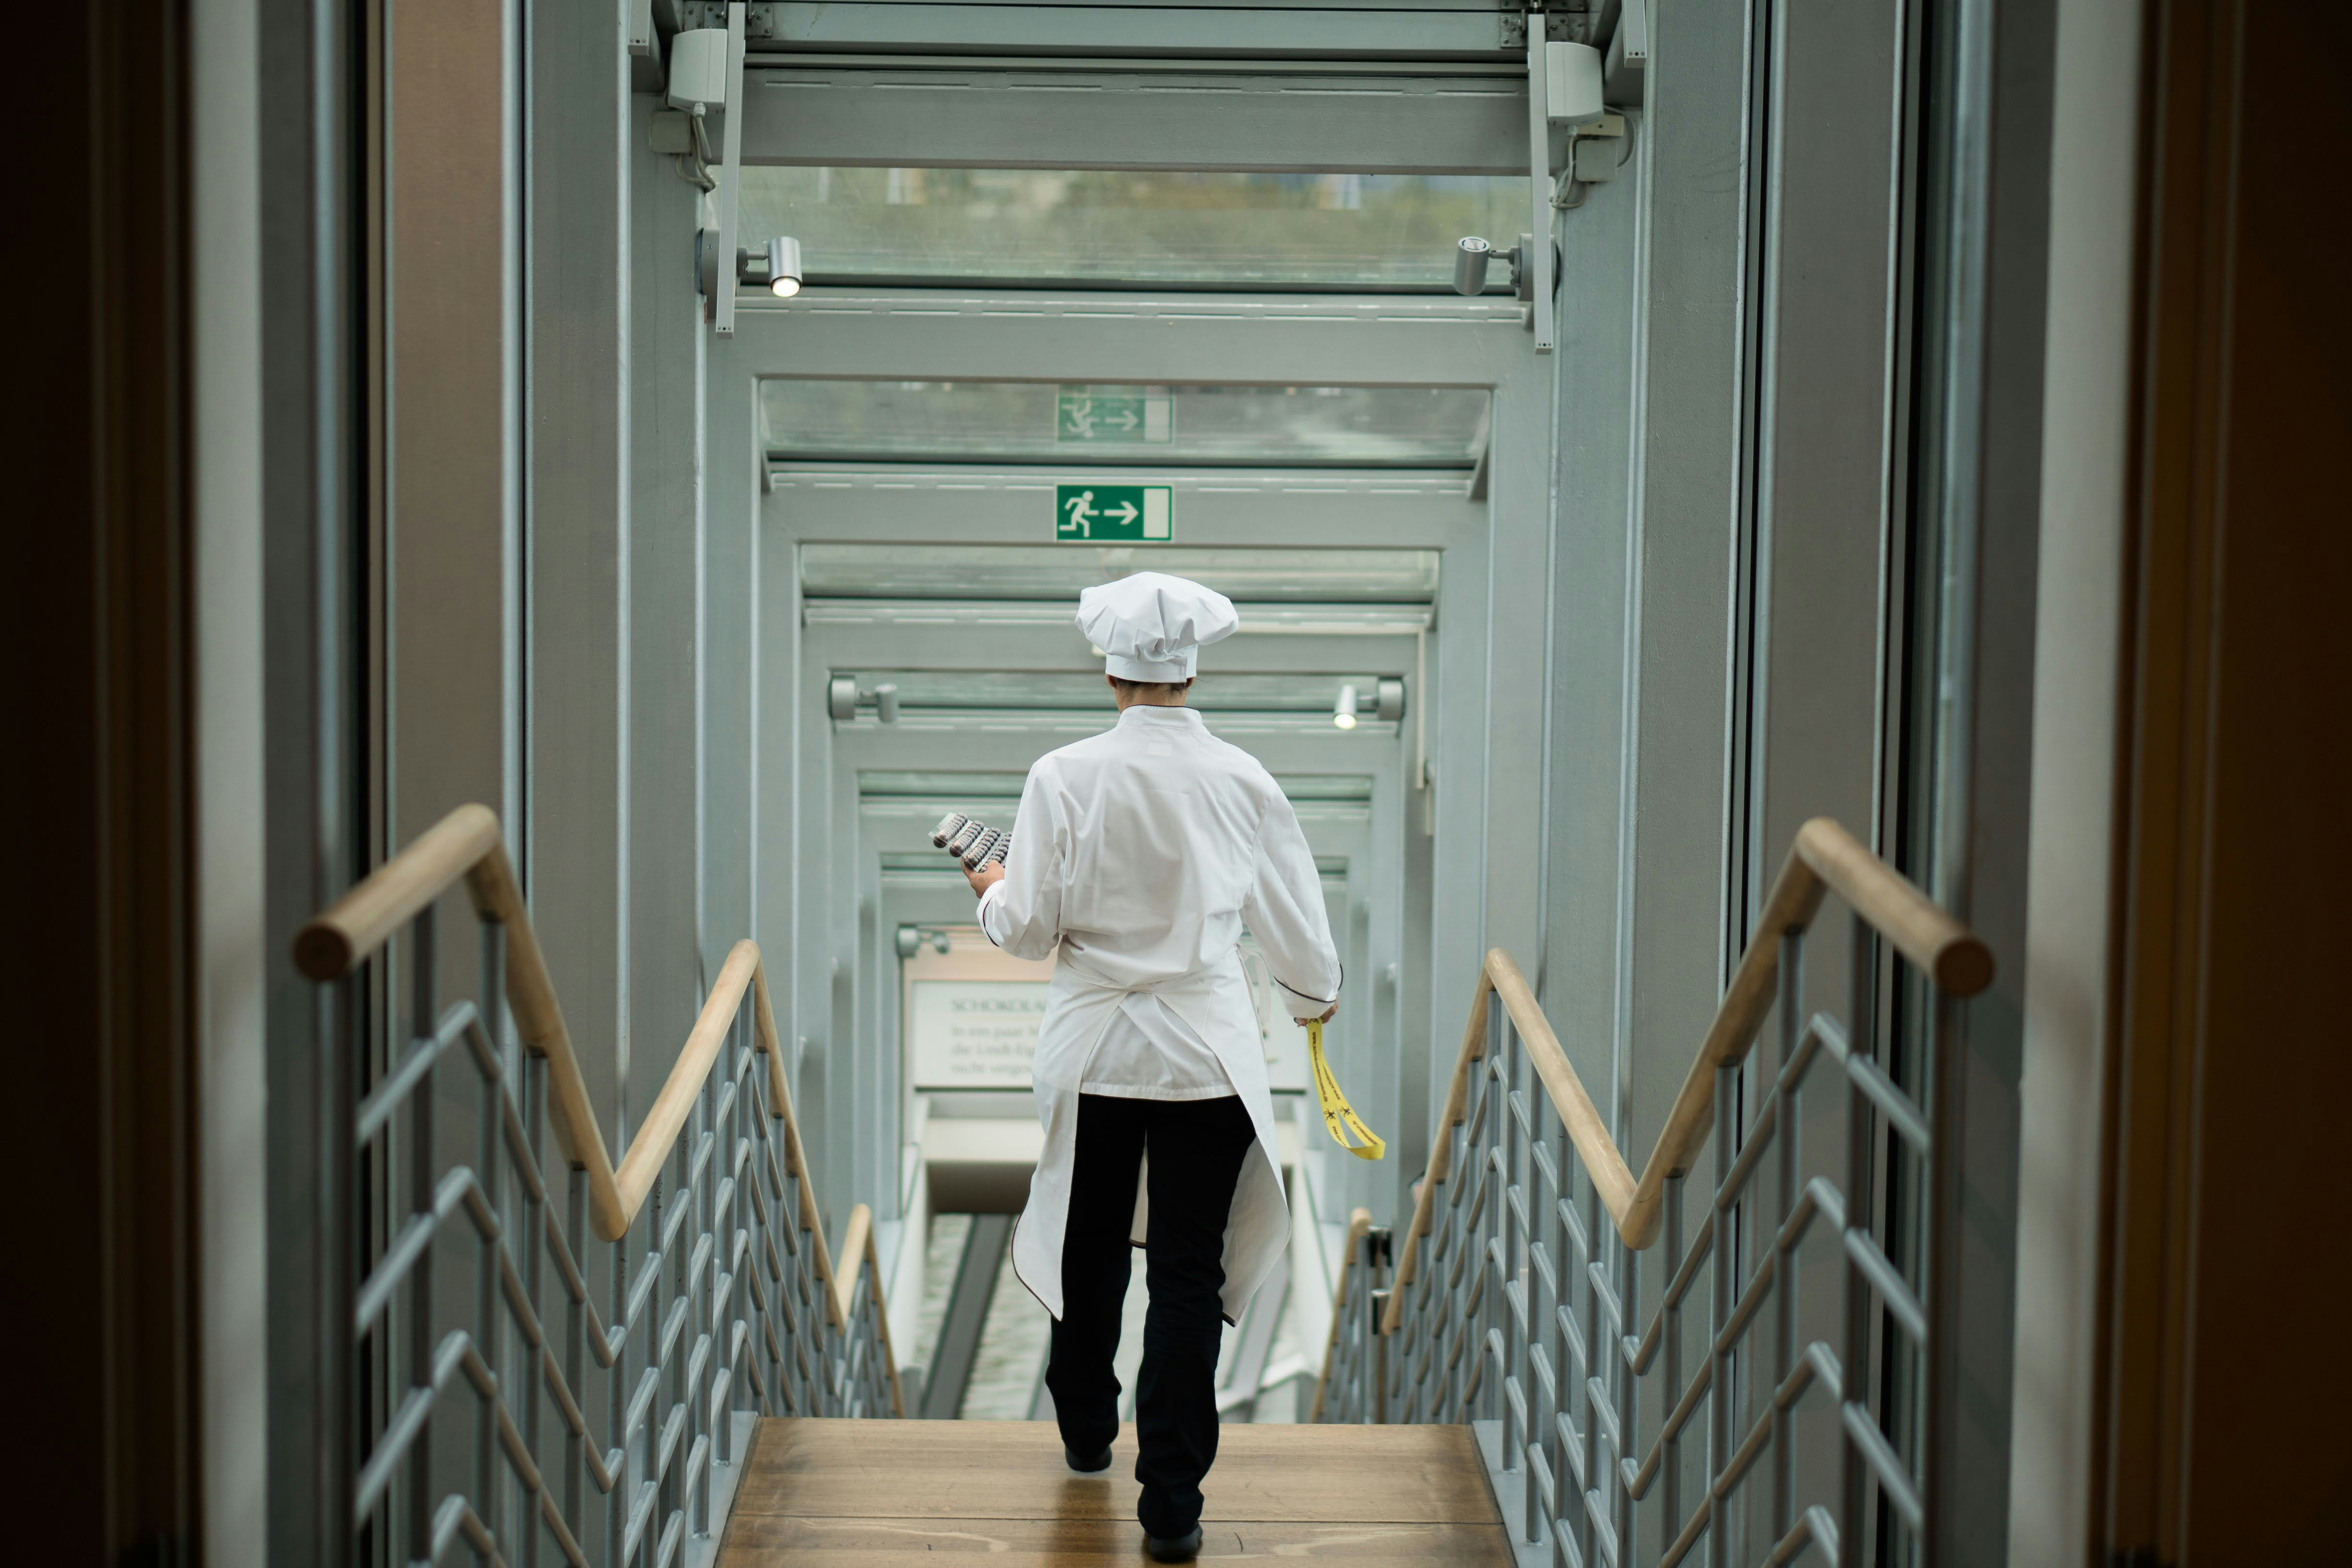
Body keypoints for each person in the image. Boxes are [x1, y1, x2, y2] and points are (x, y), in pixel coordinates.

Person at [966, 571, 1343, 1563]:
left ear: (1109, 668)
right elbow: (1295, 929)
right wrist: (1313, 997)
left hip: (1095, 1050)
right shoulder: (1242, 777)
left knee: (1088, 1245)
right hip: (1207, 1053)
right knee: (1187, 1271)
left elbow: (1030, 929)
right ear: (1189, 668)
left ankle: (1087, 1431)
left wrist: (992, 887)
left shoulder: (1062, 774)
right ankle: (1171, 1500)